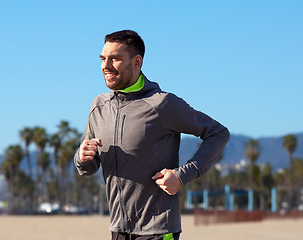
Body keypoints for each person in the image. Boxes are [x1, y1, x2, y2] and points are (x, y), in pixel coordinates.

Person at [74, 30, 230, 240]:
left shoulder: (162, 104)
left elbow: (218, 133)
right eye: (103, 59)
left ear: (137, 62)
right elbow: (89, 167)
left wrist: (182, 176)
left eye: (115, 59)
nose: (106, 66)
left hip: (158, 231)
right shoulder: (99, 106)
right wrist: (82, 157)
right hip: (118, 230)